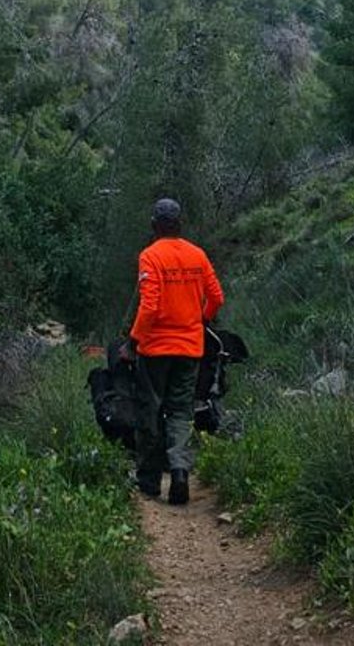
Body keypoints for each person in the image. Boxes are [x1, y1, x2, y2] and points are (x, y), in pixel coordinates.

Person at [125, 196, 224, 506]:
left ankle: (150, 482)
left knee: (149, 410)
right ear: (179, 224)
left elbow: (150, 305)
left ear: (154, 225)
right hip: (189, 348)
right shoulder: (197, 255)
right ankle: (180, 471)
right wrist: (200, 320)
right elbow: (217, 297)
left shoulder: (150, 256)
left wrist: (133, 341)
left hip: (155, 349)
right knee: (181, 411)